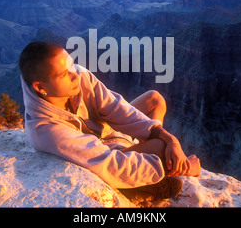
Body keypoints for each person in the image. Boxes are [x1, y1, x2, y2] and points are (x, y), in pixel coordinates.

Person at [19, 41, 201, 200]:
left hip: (110, 134)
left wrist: (171, 140)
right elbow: (108, 163)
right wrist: (178, 168)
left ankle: (144, 173)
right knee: (158, 148)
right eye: (64, 74)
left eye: (71, 65)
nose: (75, 74)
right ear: (40, 87)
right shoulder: (45, 130)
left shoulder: (80, 79)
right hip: (104, 150)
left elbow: (117, 109)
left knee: (155, 99)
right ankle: (131, 185)